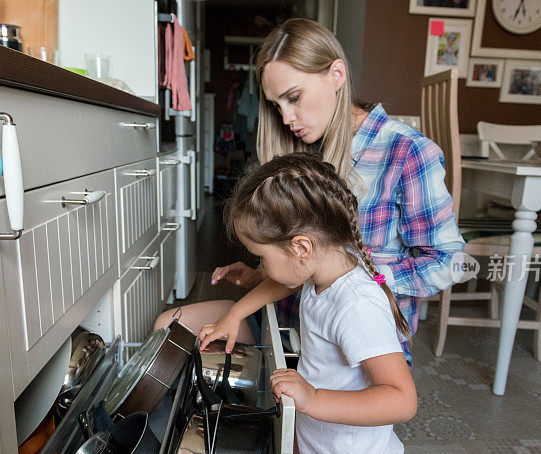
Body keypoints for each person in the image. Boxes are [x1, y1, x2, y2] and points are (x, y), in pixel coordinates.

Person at [155, 17, 464, 369]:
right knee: (167, 328)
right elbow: (297, 263)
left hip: (346, 350)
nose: (286, 117)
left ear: (336, 75)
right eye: (276, 105)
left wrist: (354, 274)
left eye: (294, 97)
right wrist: (263, 274)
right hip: (284, 320)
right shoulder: (301, 146)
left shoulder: (407, 152)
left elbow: (447, 263)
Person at [198, 152, 448, 454]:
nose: (260, 265)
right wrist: (235, 314)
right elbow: (282, 280)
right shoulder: (324, 268)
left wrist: (312, 398)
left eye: (260, 256)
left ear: (300, 247)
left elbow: (402, 399)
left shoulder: (356, 305)